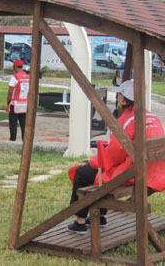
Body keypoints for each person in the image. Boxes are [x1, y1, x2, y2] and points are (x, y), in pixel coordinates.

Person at [67, 80, 165, 234]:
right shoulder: (153, 117)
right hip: (151, 173)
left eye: (119, 95)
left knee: (82, 173)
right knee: (97, 174)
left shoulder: (128, 121)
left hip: (131, 174)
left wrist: (93, 161)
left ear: (123, 99)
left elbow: (114, 155)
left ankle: (80, 222)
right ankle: (101, 216)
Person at [6, 59, 30, 141]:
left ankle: (13, 139)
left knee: (13, 123)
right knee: (23, 123)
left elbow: (10, 92)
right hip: (25, 103)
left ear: (15, 67)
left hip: (15, 104)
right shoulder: (28, 76)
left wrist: (8, 102)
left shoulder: (14, 77)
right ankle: (25, 139)